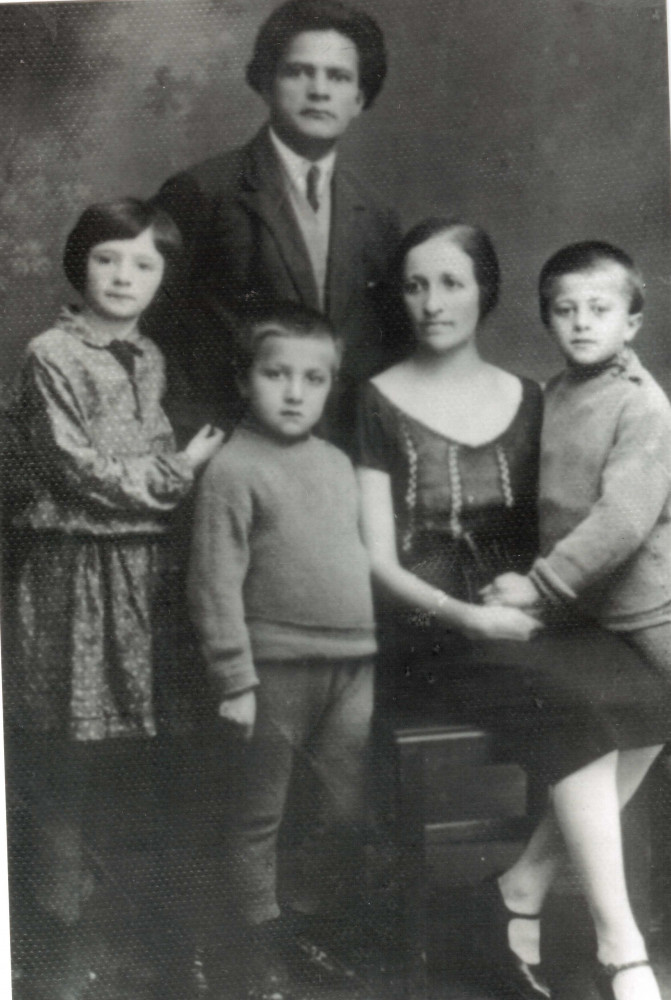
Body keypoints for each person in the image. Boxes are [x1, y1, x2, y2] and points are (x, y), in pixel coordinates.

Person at [355, 218, 671, 1000]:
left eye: (451, 283)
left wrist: (533, 594)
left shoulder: (531, 395)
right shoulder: (376, 399)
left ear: (484, 293)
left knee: (647, 701)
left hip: (527, 607)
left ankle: (519, 887)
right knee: (575, 711)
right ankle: (620, 946)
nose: (433, 303)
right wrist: (473, 616)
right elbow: (375, 558)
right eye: (415, 286)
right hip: (432, 627)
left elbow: (597, 512)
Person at [7, 198, 224, 999]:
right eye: (107, 259)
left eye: (143, 264)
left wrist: (167, 480)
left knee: (149, 759)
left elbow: (139, 468)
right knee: (67, 757)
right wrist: (177, 473)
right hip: (74, 577)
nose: (123, 277)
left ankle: (152, 944)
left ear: (163, 278)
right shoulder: (49, 355)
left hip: (147, 579)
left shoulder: (153, 357)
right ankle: (58, 950)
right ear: (80, 265)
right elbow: (79, 473)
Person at [484, 241, 671, 1000]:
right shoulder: (552, 394)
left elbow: (622, 520)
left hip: (647, 610)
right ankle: (533, 886)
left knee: (655, 721)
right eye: (564, 310)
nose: (581, 323)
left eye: (599, 309)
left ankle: (533, 878)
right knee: (628, 725)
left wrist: (538, 586)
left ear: (633, 321)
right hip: (579, 615)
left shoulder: (643, 404)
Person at [187, 302, 377, 998]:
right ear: (245, 380)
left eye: (313, 378)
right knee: (258, 813)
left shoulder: (337, 462)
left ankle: (303, 925)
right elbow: (213, 581)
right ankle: (257, 949)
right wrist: (234, 680)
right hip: (272, 670)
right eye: (276, 375)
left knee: (340, 807)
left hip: (352, 664)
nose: (295, 393)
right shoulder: (233, 468)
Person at [152, 0, 402, 450]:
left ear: (359, 99)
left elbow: (385, 350)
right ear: (266, 83)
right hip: (225, 453)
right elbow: (150, 340)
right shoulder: (202, 193)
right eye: (299, 72)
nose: (319, 91)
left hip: (340, 458)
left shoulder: (378, 216)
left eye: (338, 77)